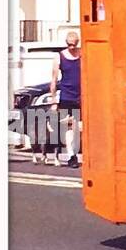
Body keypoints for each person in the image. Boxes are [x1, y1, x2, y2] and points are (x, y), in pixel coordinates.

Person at [48, 30, 82, 167]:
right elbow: (54, 80)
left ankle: (76, 152)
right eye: (69, 45)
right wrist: (54, 100)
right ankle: (71, 156)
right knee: (69, 127)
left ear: (77, 43)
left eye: (74, 45)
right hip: (67, 96)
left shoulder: (83, 55)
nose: (71, 47)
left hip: (81, 96)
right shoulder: (59, 57)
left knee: (78, 128)